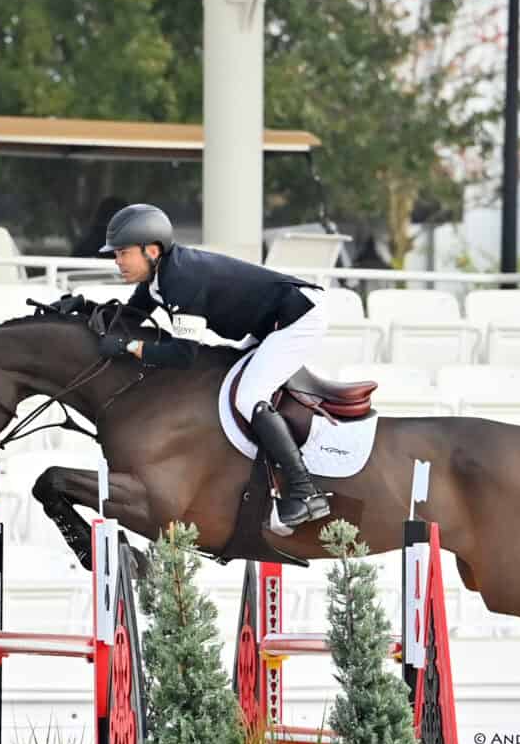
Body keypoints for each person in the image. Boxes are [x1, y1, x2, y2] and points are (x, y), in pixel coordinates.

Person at [53, 203, 332, 529]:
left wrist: (131, 347)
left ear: (152, 250)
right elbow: (129, 319)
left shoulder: (182, 279)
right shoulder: (157, 279)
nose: (117, 261)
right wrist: (83, 307)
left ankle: (305, 491)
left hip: (298, 317)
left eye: (123, 253)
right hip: (268, 323)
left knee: (248, 395)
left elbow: (184, 355)